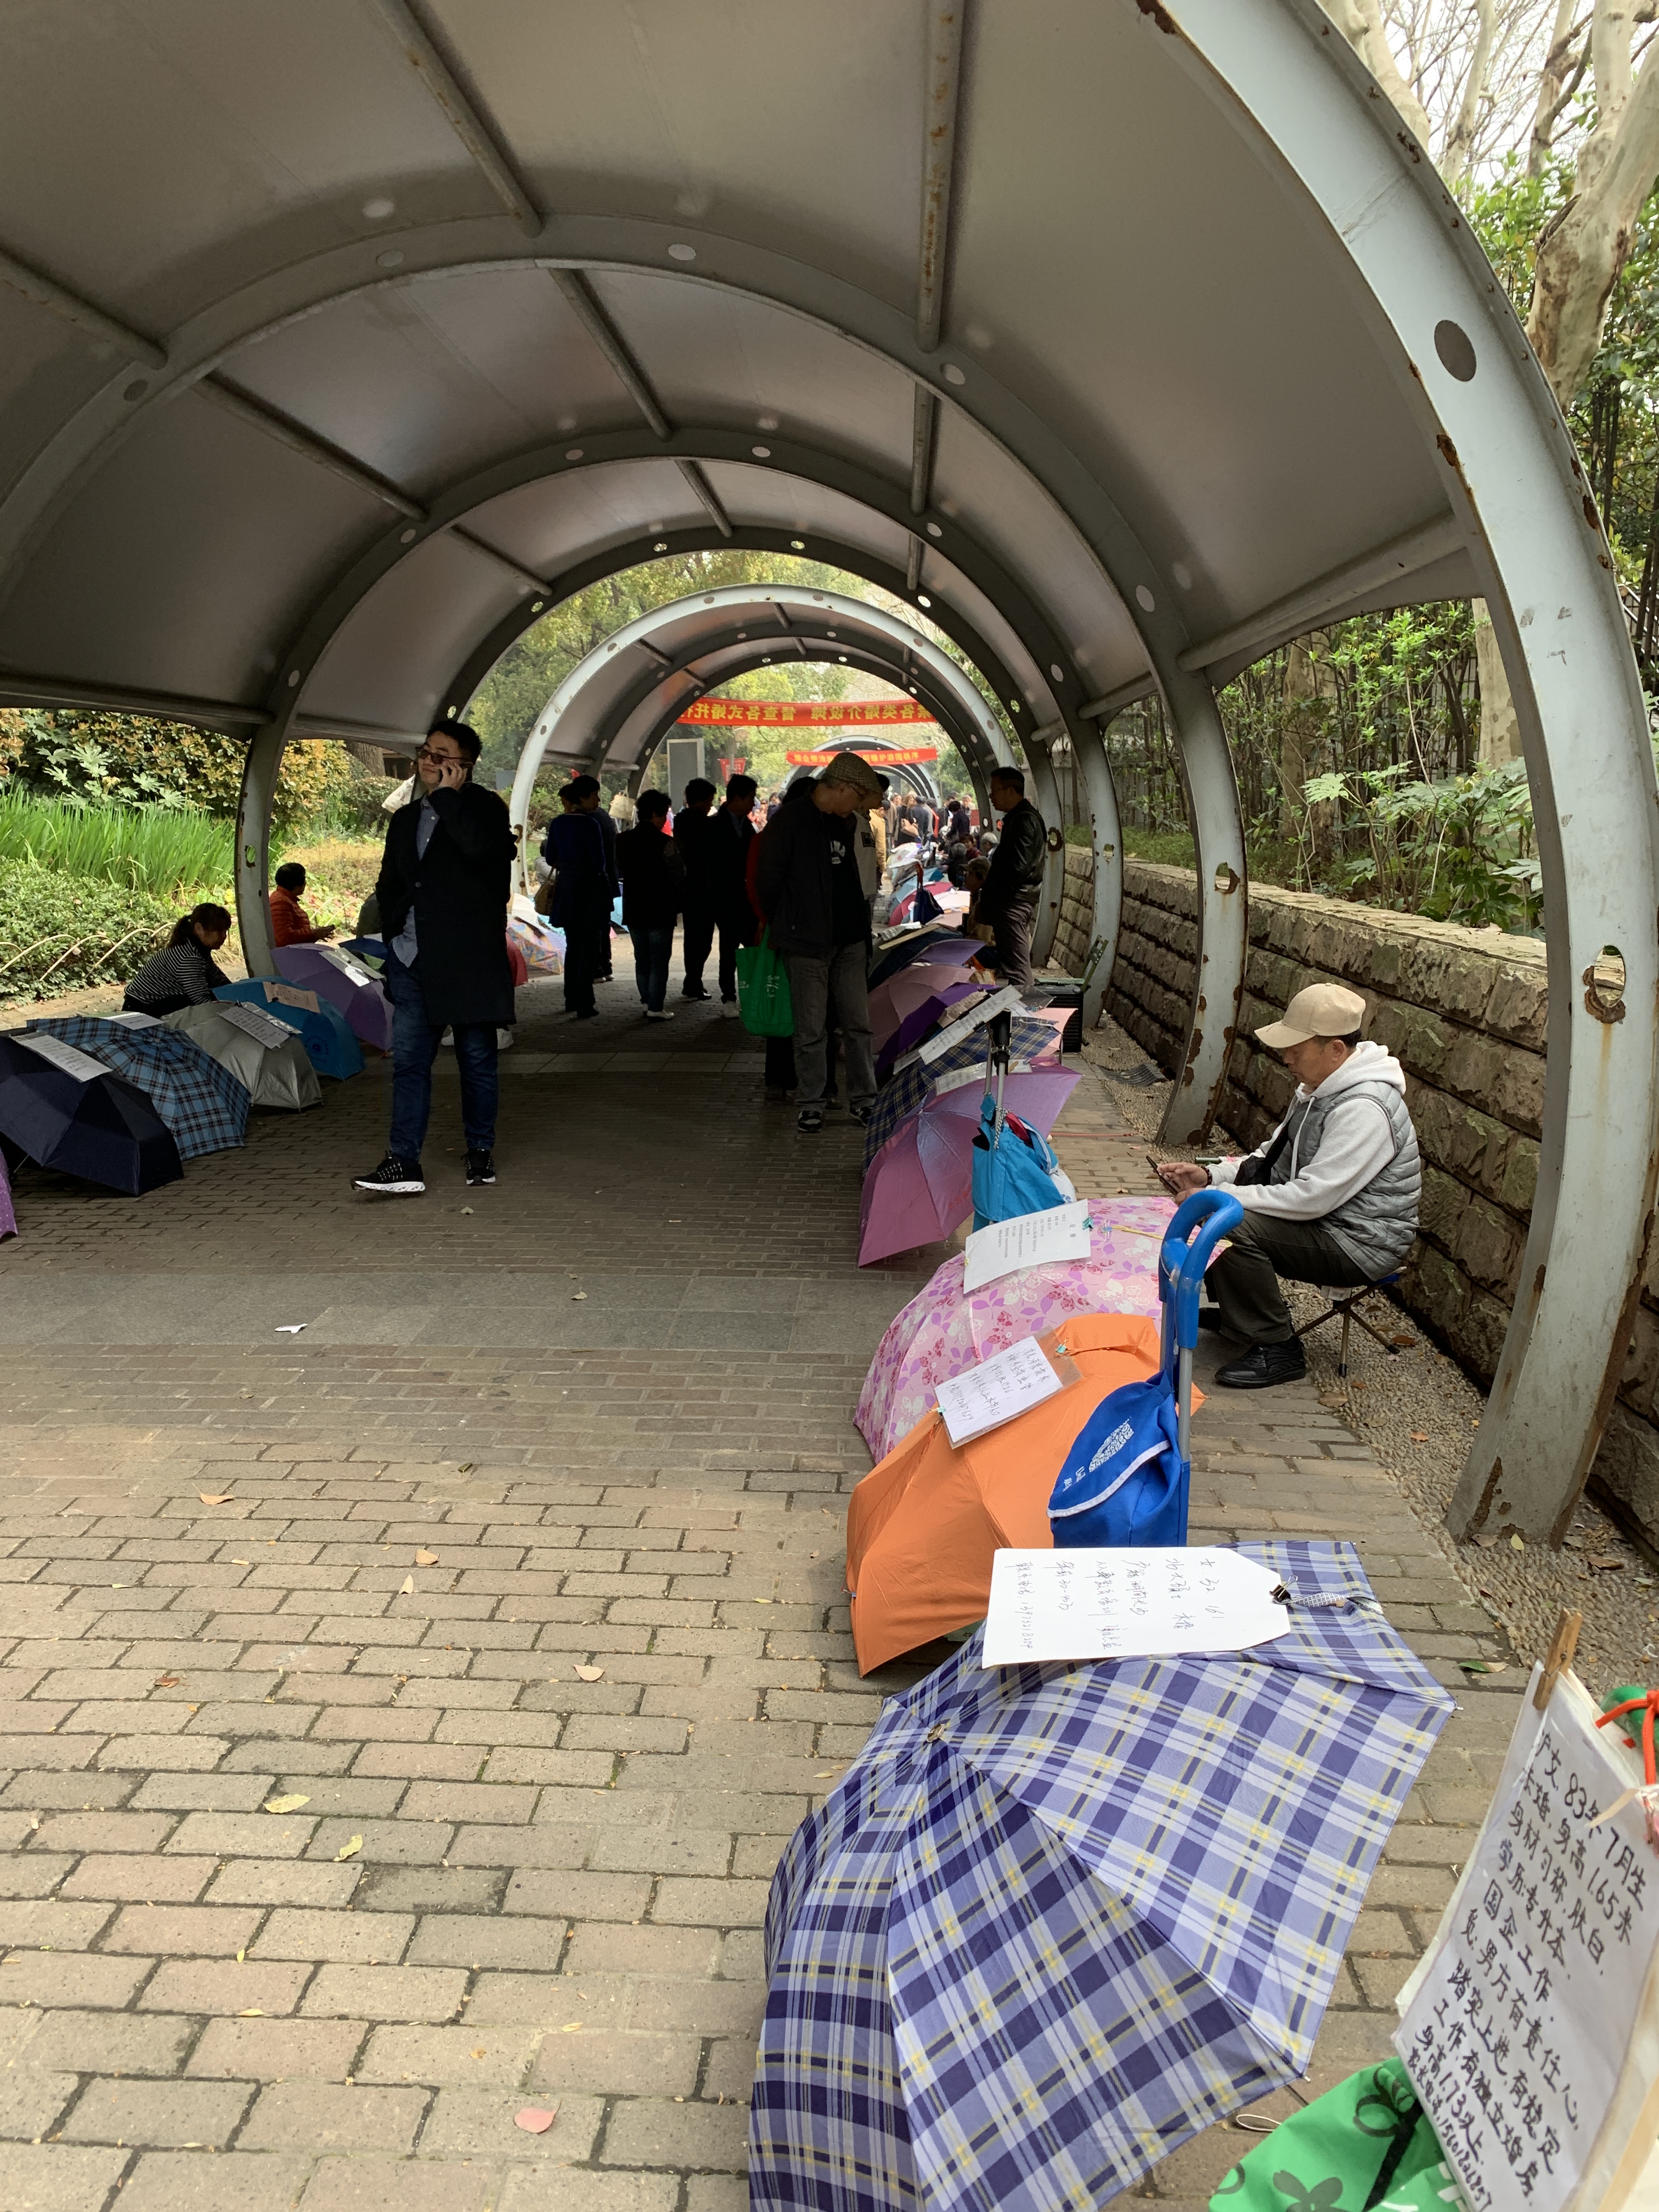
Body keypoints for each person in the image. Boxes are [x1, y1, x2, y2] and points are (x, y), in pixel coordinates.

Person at [1156, 983, 1421, 1390]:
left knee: (1228, 1222)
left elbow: (1312, 1198)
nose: (1286, 1058)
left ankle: (1277, 1345)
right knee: (1219, 1208)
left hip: (1361, 1242)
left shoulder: (1364, 1108)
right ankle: (1240, 1314)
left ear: (1336, 1050)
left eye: (1296, 1049)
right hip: (1327, 1223)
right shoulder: (1320, 1090)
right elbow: (1271, 1156)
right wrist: (1212, 1177)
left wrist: (1217, 1198)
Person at [353, 720, 515, 1198]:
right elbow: (390, 881)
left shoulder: (485, 809)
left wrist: (447, 799)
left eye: (440, 755)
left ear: (464, 766)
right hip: (412, 958)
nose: (428, 761)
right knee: (410, 1063)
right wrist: (394, 932)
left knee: (477, 1060)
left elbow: (480, 851)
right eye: (426, 752)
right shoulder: (405, 818)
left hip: (467, 960)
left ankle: (480, 1149)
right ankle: (403, 1160)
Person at [754, 750, 882, 1133]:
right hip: (807, 943)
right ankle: (811, 1102)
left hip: (851, 940)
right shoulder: (790, 821)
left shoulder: (847, 822)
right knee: (811, 1029)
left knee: (858, 1025)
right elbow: (767, 882)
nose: (858, 806)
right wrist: (789, 923)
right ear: (841, 787)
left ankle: (864, 1099)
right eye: (857, 797)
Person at [541, 775, 616, 1020]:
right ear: (582, 798)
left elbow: (551, 857)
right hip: (590, 891)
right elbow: (599, 862)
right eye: (595, 796)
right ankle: (586, 1002)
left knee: (573, 947)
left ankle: (570, 998)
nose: (598, 801)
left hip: (567, 890)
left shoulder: (557, 824)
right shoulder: (591, 825)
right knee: (588, 949)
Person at [616, 789, 685, 1020]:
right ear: (655, 814)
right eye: (664, 814)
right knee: (659, 960)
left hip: (634, 906)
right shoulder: (665, 842)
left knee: (642, 958)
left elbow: (619, 868)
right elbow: (679, 872)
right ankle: (656, 1006)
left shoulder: (622, 840)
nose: (665, 819)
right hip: (660, 907)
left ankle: (647, 1000)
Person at [975, 766, 1046, 990]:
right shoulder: (1019, 819)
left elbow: (1017, 869)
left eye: (994, 790)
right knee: (1012, 965)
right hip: (1013, 901)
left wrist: (996, 901)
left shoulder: (1024, 821)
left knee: (1017, 969)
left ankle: (1028, 1008)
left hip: (1013, 902)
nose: (991, 796)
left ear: (1010, 791)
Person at [123, 904, 233, 1017]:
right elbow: (202, 1000)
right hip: (141, 1010)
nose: (224, 936)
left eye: (225, 931)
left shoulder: (198, 948)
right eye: (218, 931)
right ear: (199, 929)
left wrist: (234, 991)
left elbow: (216, 977)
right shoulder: (188, 956)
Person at [673, 777, 719, 1000]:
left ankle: (692, 980)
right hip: (705, 888)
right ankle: (693, 981)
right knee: (703, 939)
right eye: (710, 800)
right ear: (702, 800)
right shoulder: (707, 825)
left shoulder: (679, 821)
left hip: (687, 888)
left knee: (692, 938)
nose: (711, 805)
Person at [269, 861, 334, 947]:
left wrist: (315, 934)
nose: (305, 883)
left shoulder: (286, 900)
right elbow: (284, 938)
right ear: (298, 885)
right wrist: (314, 934)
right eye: (304, 879)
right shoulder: (280, 903)